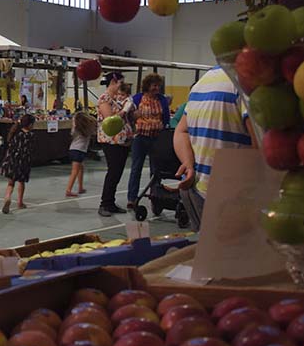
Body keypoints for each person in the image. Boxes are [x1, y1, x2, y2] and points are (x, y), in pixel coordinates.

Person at [174, 67, 254, 229]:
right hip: (234, 198)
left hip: (197, 189)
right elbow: (264, 145)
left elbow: (181, 131)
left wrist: (188, 164)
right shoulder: (247, 83)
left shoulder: (204, 81)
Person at [126, 74, 170, 209]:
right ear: (147, 86)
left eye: (158, 85)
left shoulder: (162, 100)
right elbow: (128, 116)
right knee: (136, 168)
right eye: (154, 85)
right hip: (140, 137)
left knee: (156, 170)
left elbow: (166, 118)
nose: (157, 88)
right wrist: (134, 116)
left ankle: (155, 198)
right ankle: (132, 198)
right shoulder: (137, 98)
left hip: (157, 138)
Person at [97, 72, 133, 217]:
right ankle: (104, 203)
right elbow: (110, 119)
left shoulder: (117, 98)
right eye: (120, 83)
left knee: (117, 172)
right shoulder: (104, 98)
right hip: (111, 141)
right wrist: (124, 111)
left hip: (122, 141)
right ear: (113, 81)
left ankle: (110, 202)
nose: (121, 86)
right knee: (113, 172)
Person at [0, 114, 35, 213]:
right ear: (30, 125)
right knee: (21, 181)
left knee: (10, 183)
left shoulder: (15, 133)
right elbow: (30, 149)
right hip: (23, 161)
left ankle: (7, 198)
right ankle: (20, 202)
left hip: (11, 160)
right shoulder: (30, 135)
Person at [66, 111, 98, 197]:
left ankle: (80, 187)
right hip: (79, 151)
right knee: (75, 170)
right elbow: (95, 123)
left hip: (73, 149)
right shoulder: (87, 130)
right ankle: (68, 190)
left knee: (81, 168)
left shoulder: (76, 129)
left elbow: (74, 121)